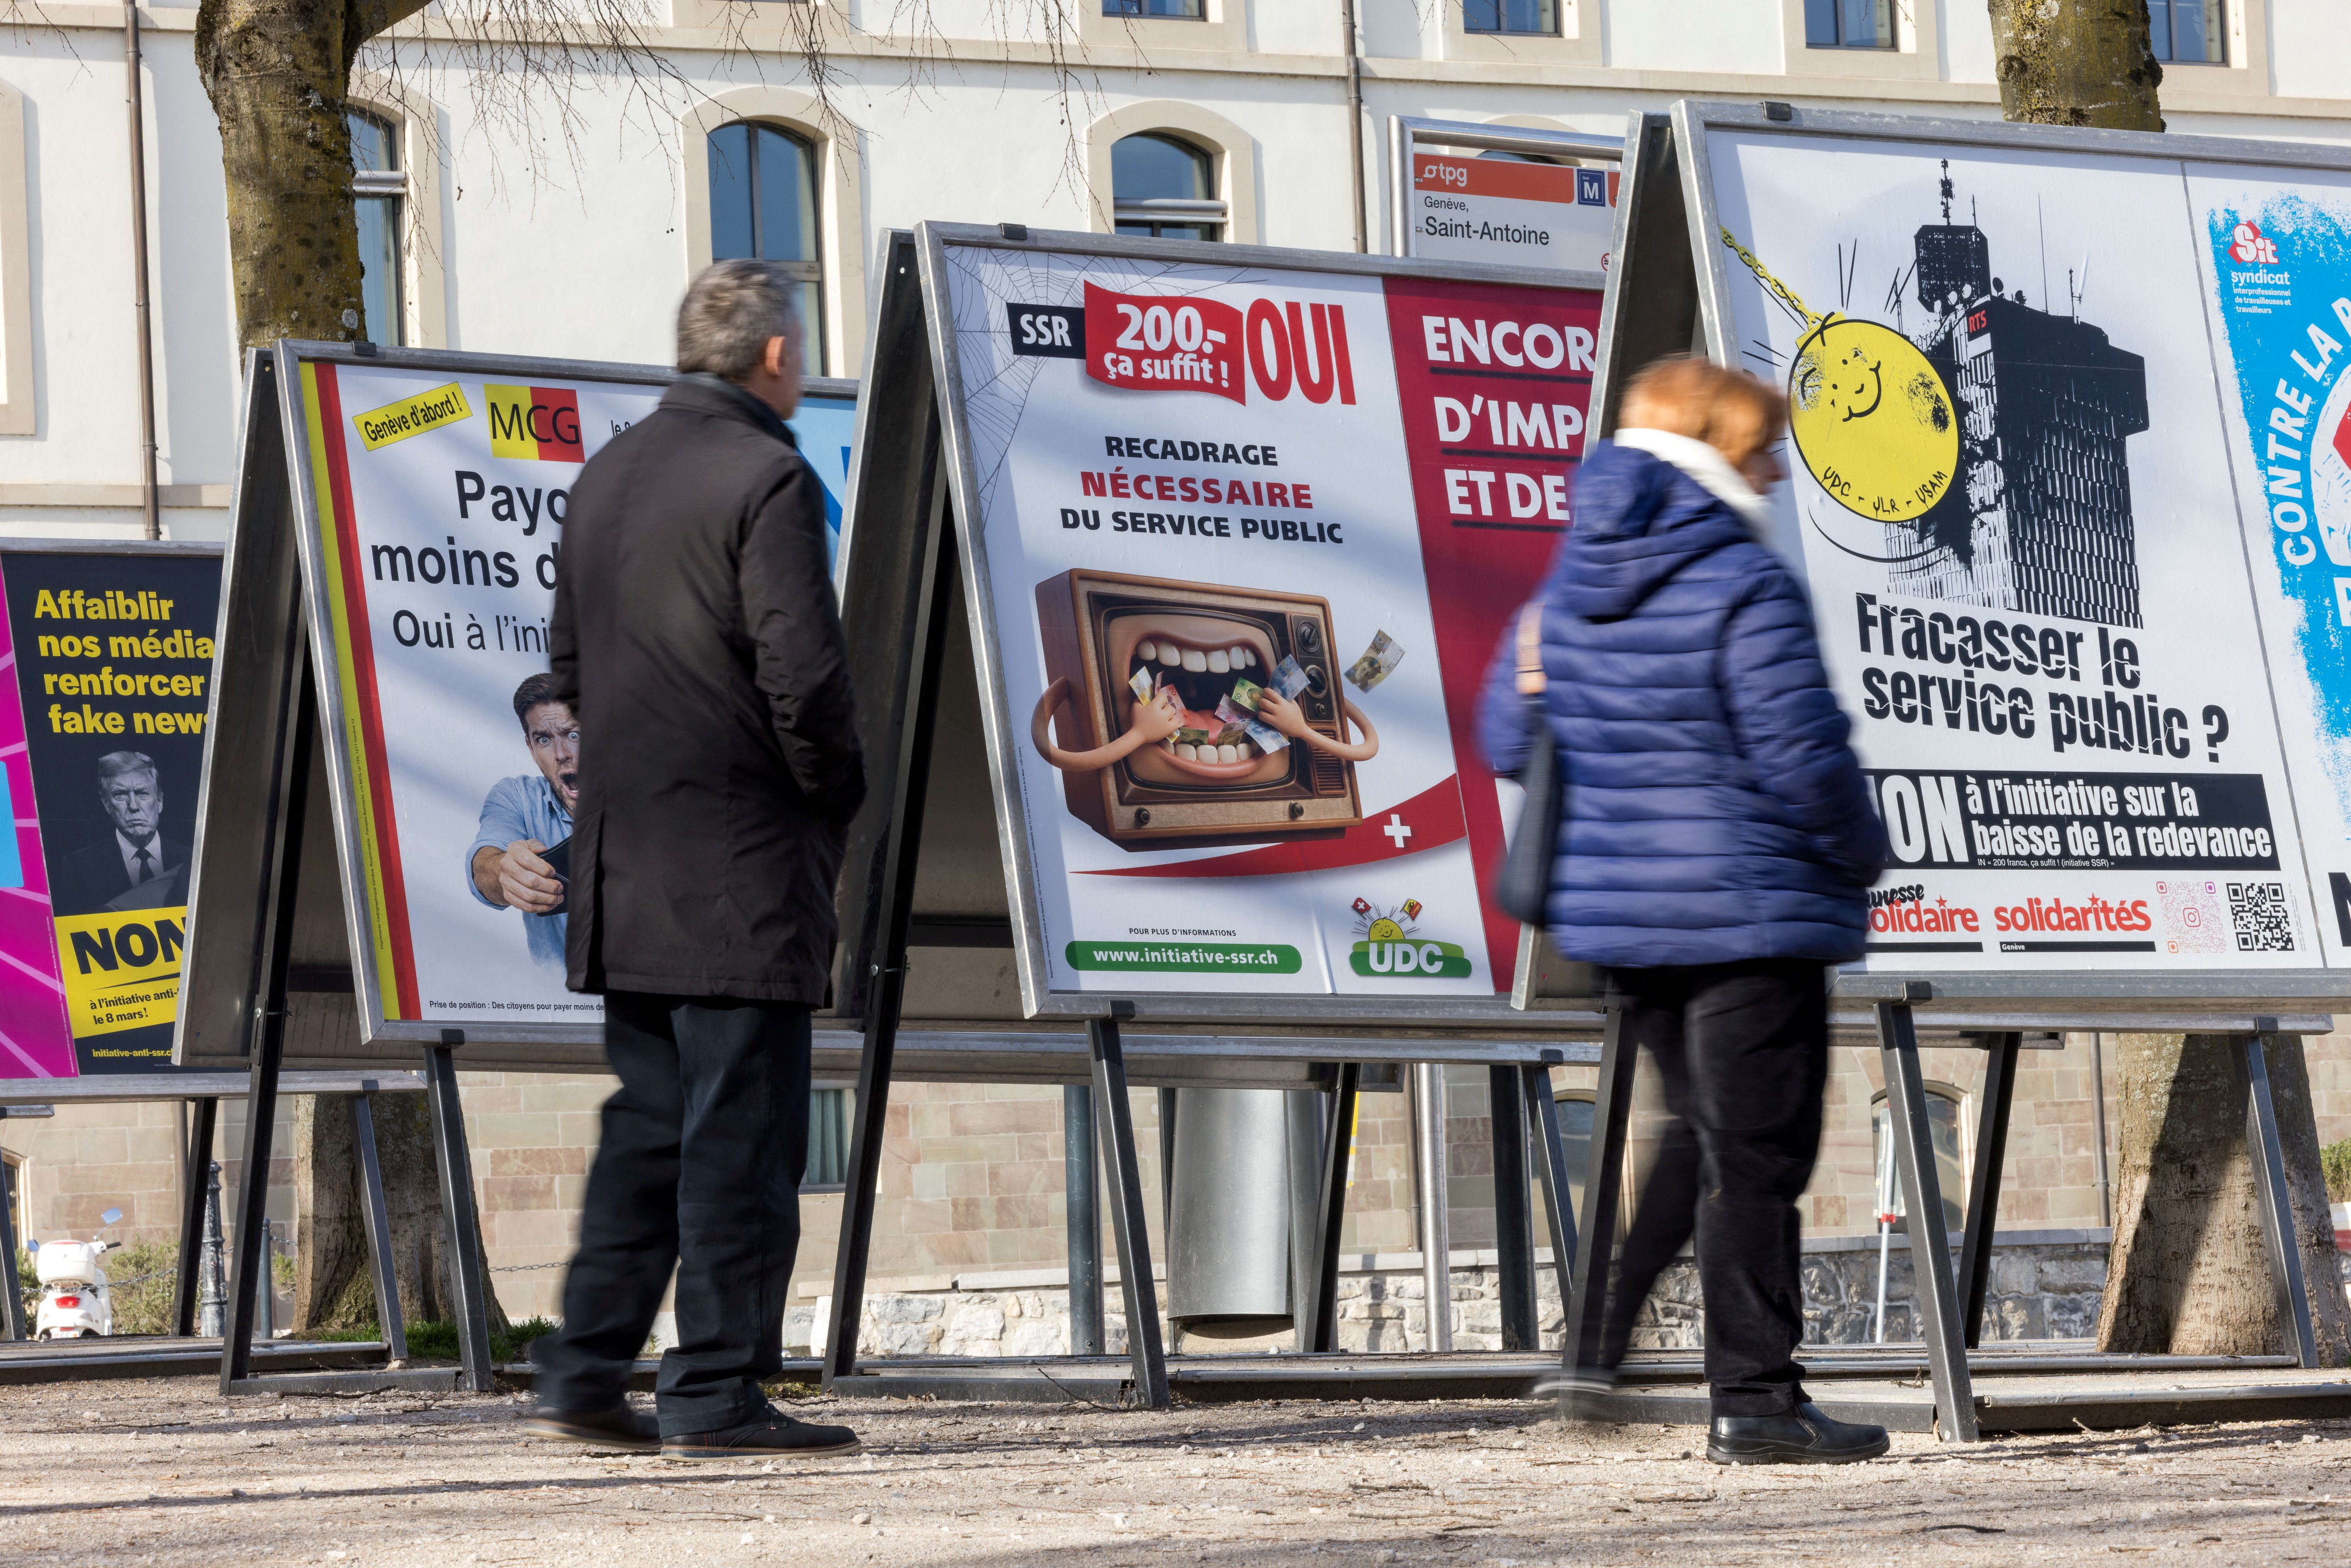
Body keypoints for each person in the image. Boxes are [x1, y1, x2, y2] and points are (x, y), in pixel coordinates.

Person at [1479, 357, 1891, 1466]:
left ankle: (1600, 1345)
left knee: (1699, 1135)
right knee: (1756, 1153)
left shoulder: (1567, 582)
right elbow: (1802, 757)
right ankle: (1756, 1400)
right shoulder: (1741, 582)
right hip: (1750, 911)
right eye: (1762, 450)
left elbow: (1507, 740)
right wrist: (1866, 854)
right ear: (1716, 452)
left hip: (1624, 916)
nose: (1774, 473)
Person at [528, 259, 867, 1461]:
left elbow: (565, 663)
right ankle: (716, 1386)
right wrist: (836, 797)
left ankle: (583, 1364)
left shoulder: (607, 472)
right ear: (776, 355)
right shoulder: (767, 475)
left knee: (652, 1121)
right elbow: (803, 674)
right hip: (737, 863)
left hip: (627, 860)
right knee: (738, 1129)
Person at [464, 673, 578, 967]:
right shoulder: (515, 796)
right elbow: (485, 861)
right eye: (544, 739)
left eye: (574, 735)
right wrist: (506, 872)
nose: (562, 754)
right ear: (530, 748)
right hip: (563, 1003)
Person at [52, 751, 190, 915]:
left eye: (142, 793)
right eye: (120, 795)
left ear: (159, 801)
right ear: (107, 804)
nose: (133, 806)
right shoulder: (77, 868)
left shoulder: (192, 860)